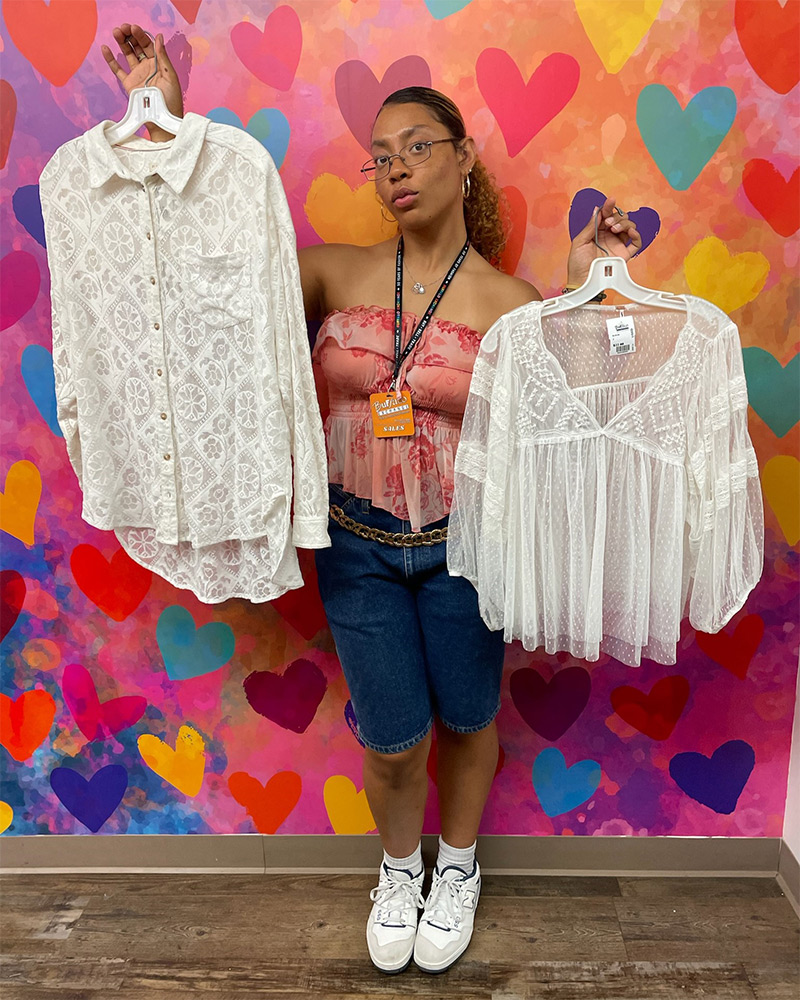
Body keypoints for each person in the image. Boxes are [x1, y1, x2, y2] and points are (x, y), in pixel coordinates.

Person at [101, 25, 642, 974]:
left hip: (470, 548)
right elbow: (214, 273)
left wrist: (589, 290)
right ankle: (401, 869)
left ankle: (460, 868)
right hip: (356, 545)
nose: (393, 168)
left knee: (469, 721)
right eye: (377, 156)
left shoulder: (513, 303)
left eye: (416, 147)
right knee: (394, 740)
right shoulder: (331, 270)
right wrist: (171, 124)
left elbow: (586, 411)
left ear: (464, 155)